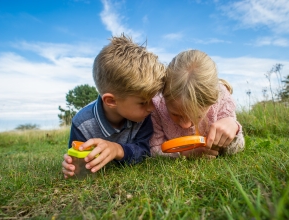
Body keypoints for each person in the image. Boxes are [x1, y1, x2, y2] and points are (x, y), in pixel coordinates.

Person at [62, 34, 166, 178]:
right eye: (143, 102)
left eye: (152, 99)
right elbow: (76, 157)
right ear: (111, 101)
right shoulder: (82, 124)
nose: (151, 108)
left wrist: (117, 150)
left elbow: (144, 151)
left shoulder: (143, 117)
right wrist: (71, 165)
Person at [150, 49, 245, 158]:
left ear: (212, 102)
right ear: (164, 97)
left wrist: (233, 126)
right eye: (176, 114)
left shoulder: (222, 99)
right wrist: (183, 154)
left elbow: (236, 148)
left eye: (197, 116)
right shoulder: (156, 105)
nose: (184, 125)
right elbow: (154, 150)